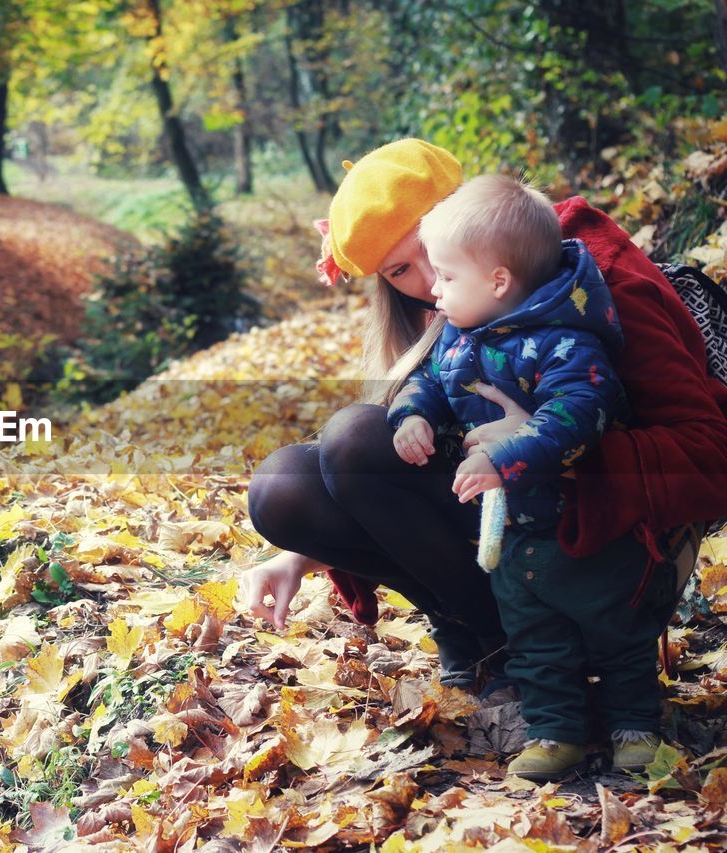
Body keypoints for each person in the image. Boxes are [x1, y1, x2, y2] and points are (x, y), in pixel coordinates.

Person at [243, 139, 727, 710]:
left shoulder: (594, 272)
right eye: (400, 270)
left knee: (351, 436)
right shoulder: (443, 308)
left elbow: (710, 453)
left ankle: (554, 658)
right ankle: (499, 655)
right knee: (285, 486)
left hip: (609, 556)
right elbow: (403, 482)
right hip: (509, 538)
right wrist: (301, 552)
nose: (426, 282)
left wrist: (542, 440)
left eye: (428, 248)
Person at [386, 174, 670, 779]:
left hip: (586, 524)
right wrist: (412, 415)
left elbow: (576, 415)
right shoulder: (461, 338)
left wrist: (505, 456)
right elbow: (432, 383)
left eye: (447, 275)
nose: (434, 289)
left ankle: (635, 725)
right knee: (536, 638)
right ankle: (554, 731)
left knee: (616, 630)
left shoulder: (565, 343)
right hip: (516, 528)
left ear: (498, 281)